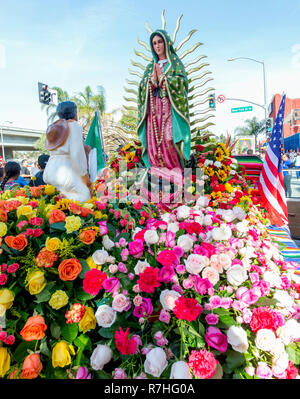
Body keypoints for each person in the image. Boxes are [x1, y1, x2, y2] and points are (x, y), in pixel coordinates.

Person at [137, 29, 191, 170]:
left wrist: (164, 79)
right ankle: (156, 170)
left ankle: (173, 169)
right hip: (153, 110)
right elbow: (142, 86)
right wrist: (151, 82)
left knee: (169, 138)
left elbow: (183, 83)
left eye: (160, 42)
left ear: (166, 43)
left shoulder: (175, 64)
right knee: (153, 141)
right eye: (154, 43)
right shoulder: (150, 66)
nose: (157, 46)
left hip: (169, 108)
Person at [43, 101, 93, 203]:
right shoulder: (74, 125)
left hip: (51, 170)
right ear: (74, 112)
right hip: (66, 171)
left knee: (59, 199)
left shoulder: (54, 127)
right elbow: (76, 154)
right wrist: (84, 175)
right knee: (85, 197)